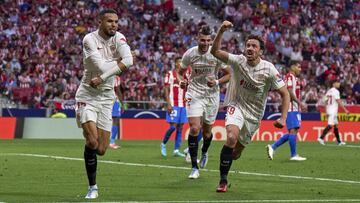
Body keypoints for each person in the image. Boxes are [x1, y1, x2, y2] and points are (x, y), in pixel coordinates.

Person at [210, 20, 290, 192]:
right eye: (248, 45)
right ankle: (223, 181)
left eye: (254, 46)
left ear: (260, 51)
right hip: (236, 105)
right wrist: (221, 30)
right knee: (231, 137)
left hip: (254, 116)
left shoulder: (269, 69)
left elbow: (285, 93)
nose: (250, 48)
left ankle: (227, 163)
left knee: (236, 153)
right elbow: (214, 51)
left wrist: (283, 118)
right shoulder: (238, 61)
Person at [75, 9, 133, 199]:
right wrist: (118, 63)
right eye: (109, 21)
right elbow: (100, 66)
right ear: (100, 22)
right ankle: (93, 187)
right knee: (92, 141)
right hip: (87, 95)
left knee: (101, 149)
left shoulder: (120, 38)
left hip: (107, 97)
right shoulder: (89, 40)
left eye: (116, 21)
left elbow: (130, 60)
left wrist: (104, 77)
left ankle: (89, 145)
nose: (114, 25)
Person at [180, 25, 231, 179]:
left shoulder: (215, 54)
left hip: (211, 96)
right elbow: (180, 72)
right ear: (197, 38)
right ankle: (194, 167)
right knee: (195, 128)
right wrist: (182, 81)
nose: (205, 43)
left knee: (207, 132)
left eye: (209, 40)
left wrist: (216, 82)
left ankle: (204, 152)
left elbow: (229, 74)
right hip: (194, 94)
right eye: (203, 40)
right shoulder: (190, 53)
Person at [266, 61, 307, 161]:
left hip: (295, 108)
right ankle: (293, 155)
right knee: (293, 130)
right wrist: (299, 102)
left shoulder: (294, 78)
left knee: (293, 131)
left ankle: (273, 147)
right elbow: (288, 92)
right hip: (291, 107)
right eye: (298, 67)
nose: (300, 69)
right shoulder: (289, 76)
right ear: (292, 67)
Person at [160, 57, 189, 157]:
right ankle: (163, 144)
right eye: (179, 62)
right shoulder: (170, 74)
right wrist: (168, 103)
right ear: (176, 64)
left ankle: (176, 150)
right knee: (173, 127)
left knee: (180, 127)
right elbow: (166, 89)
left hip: (183, 105)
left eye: (182, 62)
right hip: (173, 104)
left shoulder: (186, 75)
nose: (181, 63)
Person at [317, 80, 349, 145]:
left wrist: (326, 111)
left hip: (329, 110)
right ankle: (321, 138)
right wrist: (345, 110)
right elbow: (338, 101)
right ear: (334, 84)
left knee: (336, 125)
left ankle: (339, 141)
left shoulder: (329, 91)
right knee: (331, 125)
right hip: (333, 110)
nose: (339, 84)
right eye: (338, 83)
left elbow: (325, 102)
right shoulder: (336, 91)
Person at [109, 75, 124, 149]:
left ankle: (103, 142)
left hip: (105, 100)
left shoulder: (105, 75)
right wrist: (122, 104)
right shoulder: (116, 78)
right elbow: (118, 90)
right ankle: (111, 142)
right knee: (115, 120)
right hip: (114, 100)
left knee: (105, 121)